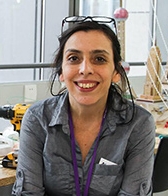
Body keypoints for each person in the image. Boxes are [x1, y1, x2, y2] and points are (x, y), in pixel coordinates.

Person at [12, 16, 155, 196]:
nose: (85, 69)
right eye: (73, 58)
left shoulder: (139, 123)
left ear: (116, 72)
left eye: (99, 59)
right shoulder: (37, 119)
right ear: (61, 72)